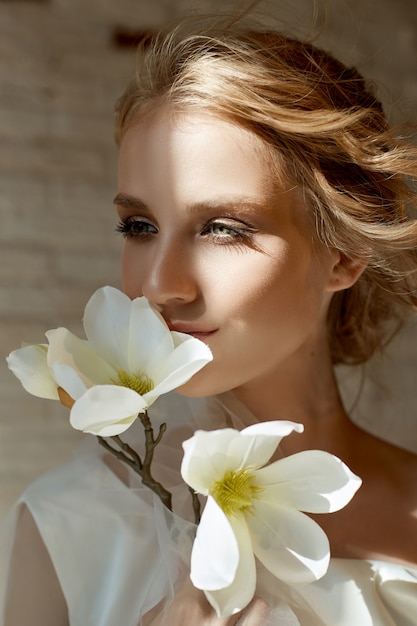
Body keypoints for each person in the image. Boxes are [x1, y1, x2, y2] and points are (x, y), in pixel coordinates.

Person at [1, 14, 417, 626]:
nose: (161, 286)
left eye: (223, 227)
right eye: (140, 227)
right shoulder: (67, 528)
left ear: (344, 251)